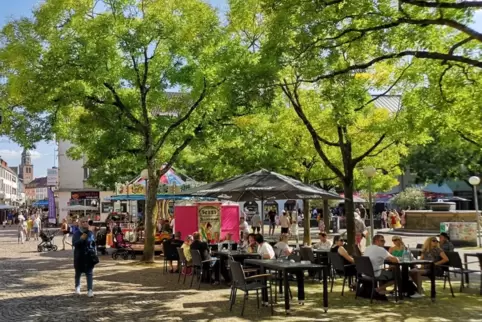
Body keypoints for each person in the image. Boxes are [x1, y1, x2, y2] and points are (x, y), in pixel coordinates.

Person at [73, 218, 97, 297]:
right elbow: (75, 244)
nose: (85, 223)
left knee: (89, 273)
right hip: (79, 256)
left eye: (86, 222)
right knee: (78, 273)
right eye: (83, 222)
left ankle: (90, 290)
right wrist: (81, 239)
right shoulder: (76, 233)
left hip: (89, 256)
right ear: (80, 223)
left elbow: (93, 244)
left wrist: (95, 253)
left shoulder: (90, 233)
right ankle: (77, 287)